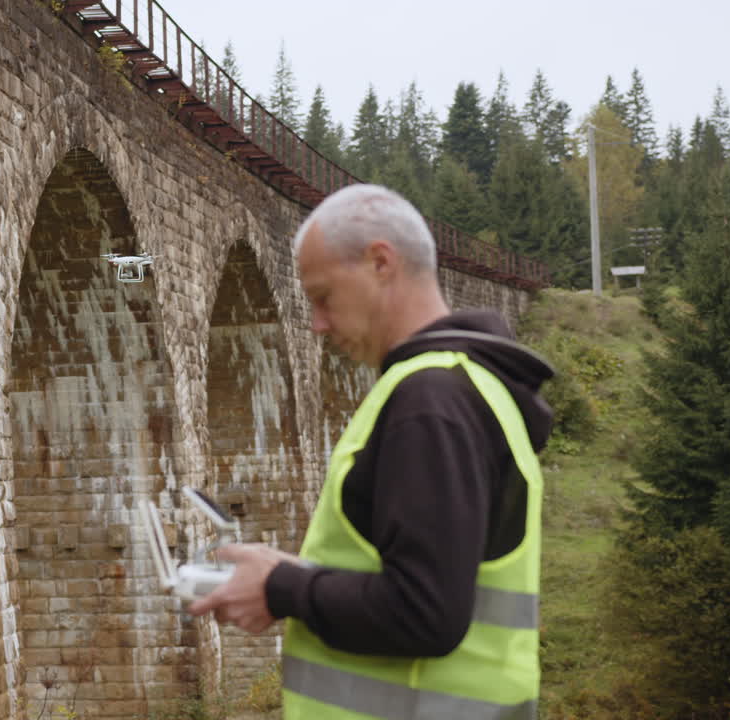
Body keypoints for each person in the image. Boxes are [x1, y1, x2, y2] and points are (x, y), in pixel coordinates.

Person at [188, 184, 554, 720]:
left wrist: (284, 587)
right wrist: (289, 576)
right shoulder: (466, 386)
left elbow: (426, 613)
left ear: (380, 262)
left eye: (323, 297)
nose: (316, 323)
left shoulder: (430, 403)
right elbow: (429, 576)